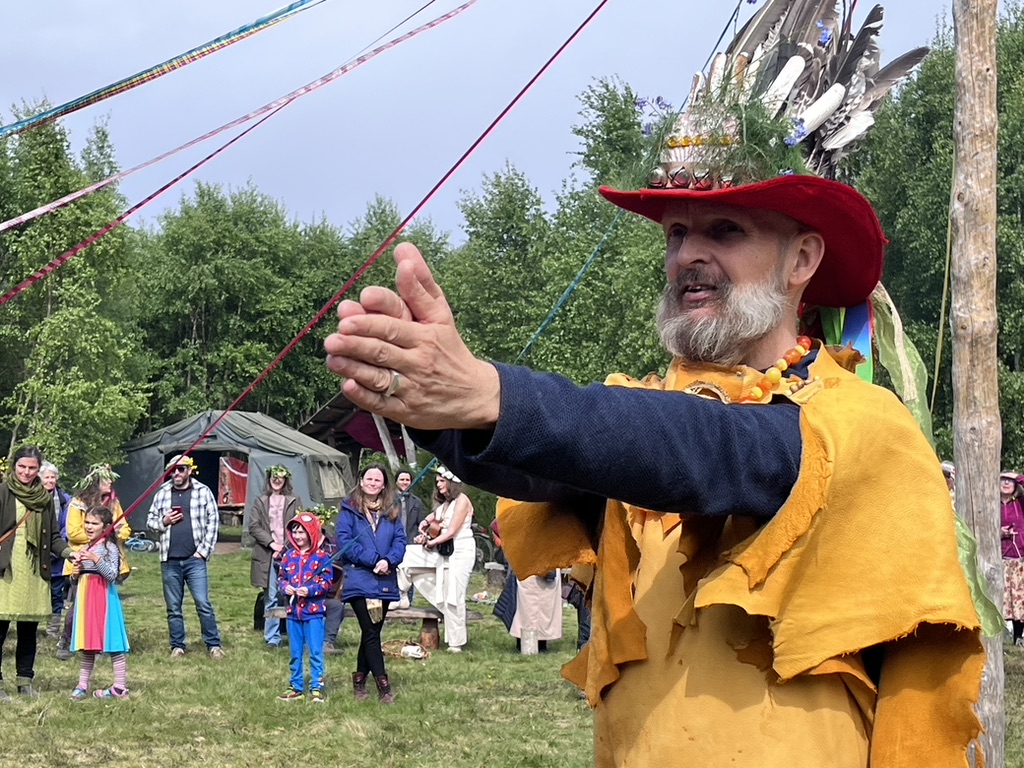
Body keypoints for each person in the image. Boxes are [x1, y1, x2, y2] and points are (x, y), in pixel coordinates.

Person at [322, 24, 986, 764]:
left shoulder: (860, 423)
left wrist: (492, 393)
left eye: (725, 229)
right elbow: (558, 463)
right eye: (676, 233)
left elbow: (717, 453)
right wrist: (442, 410)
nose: (689, 256)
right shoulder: (640, 414)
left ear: (802, 258)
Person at [0, 446, 74, 700]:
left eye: (32, 468)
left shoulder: (44, 498)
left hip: (34, 571)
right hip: (5, 569)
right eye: (22, 466)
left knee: (28, 631)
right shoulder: (3, 491)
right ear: (14, 466)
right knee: (0, 630)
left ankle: (25, 681)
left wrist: (69, 553)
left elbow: (53, 536)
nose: (26, 472)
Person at [337, 464, 405, 703]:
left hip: (384, 579)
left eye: (378, 480)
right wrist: (374, 559)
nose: (373, 483)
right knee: (370, 631)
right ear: (361, 481)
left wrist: (389, 560)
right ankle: (384, 686)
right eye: (369, 478)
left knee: (372, 633)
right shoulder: (349, 509)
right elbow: (345, 542)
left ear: (384, 484)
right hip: (359, 577)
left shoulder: (392, 510)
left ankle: (359, 681)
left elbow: (400, 541)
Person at [146, 454, 225, 659]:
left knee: (203, 603)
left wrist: (203, 552)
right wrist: (164, 521)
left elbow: (213, 522)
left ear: (189, 471)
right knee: (173, 607)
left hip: (194, 559)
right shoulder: (163, 493)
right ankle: (177, 646)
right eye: (173, 470)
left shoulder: (202, 491)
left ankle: (213, 645)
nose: (177, 473)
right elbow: (150, 522)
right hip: (169, 559)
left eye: (181, 469)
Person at [58, 464, 132, 661]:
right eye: (106, 478)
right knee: (78, 606)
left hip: (107, 558)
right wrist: (96, 534)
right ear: (95, 481)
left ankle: (101, 642)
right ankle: (67, 639)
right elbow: (73, 532)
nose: (110, 482)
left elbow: (125, 528)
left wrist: (112, 534)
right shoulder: (77, 503)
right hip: (82, 562)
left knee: (104, 606)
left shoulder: (113, 503)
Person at [401, 468, 475, 653]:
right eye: (437, 481)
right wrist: (423, 531)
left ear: (451, 482)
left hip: (461, 549)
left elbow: (452, 531)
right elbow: (429, 521)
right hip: (444, 550)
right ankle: (402, 595)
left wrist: (431, 542)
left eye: (441, 481)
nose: (438, 485)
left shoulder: (462, 500)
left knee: (454, 595)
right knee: (408, 557)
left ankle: (456, 642)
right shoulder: (445, 505)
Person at [69, 505, 130, 700]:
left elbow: (112, 575)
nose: (89, 526)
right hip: (86, 599)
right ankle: (82, 685)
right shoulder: (84, 548)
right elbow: (74, 580)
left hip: (104, 598)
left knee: (113, 642)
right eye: (86, 522)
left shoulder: (109, 548)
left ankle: (120, 687)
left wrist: (96, 559)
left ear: (105, 527)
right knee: (88, 644)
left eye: (94, 523)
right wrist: (75, 573)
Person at [276, 512, 332, 703]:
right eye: (295, 532)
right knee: (295, 652)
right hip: (293, 613)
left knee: (315, 651)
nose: (299, 536)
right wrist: (287, 588)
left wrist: (309, 591)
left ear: (312, 533)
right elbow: (281, 579)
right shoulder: (288, 556)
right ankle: (296, 686)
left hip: (313, 613)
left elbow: (326, 583)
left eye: (303, 532)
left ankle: (317, 686)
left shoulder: (322, 557)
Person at [247, 465, 303, 648]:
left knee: (292, 593)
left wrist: (286, 546)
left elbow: (300, 524)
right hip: (268, 554)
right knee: (271, 595)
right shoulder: (260, 501)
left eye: (280, 477)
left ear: (286, 480)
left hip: (291, 553)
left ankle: (296, 633)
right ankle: (272, 637)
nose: (277, 480)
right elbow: (254, 526)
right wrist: (272, 544)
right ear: (269, 479)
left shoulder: (294, 500)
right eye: (274, 476)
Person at [39, 461, 71, 639]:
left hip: (58, 555)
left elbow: (67, 525)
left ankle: (53, 630)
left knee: (57, 593)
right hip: (38, 555)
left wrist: (59, 545)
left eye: (53, 477)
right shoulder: (34, 498)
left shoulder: (65, 500)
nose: (50, 480)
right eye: (47, 477)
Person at [395, 468, 426, 609]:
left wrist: (421, 536)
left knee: (409, 573)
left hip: (410, 542)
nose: (405, 482)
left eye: (407, 480)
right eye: (402, 479)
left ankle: (409, 604)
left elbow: (421, 523)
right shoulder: (389, 500)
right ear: (396, 481)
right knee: (394, 572)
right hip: (393, 542)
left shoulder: (416, 502)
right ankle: (394, 601)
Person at [1001, 471, 1024, 646]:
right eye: (1003, 480)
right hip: (998, 556)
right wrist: (999, 532)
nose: (1006, 483)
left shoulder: (1020, 503)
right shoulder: (991, 503)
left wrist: (1017, 477)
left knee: (1019, 597)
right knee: (1000, 596)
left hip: (1019, 557)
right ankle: (999, 635)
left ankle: (1018, 637)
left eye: (1010, 481)